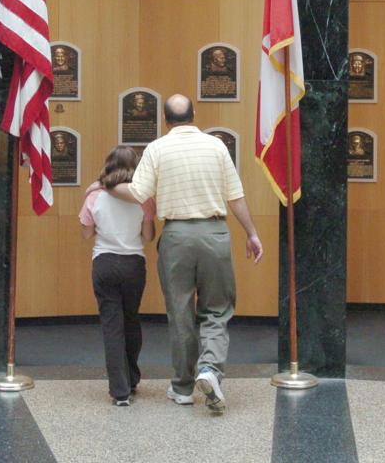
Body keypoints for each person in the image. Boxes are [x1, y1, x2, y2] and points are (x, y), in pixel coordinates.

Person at [95, 94, 263, 414]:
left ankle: (183, 387)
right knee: (216, 309)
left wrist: (105, 184)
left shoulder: (157, 148)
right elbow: (235, 196)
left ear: (164, 119)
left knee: (180, 312)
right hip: (215, 233)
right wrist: (251, 233)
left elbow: (137, 193)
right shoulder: (216, 146)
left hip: (176, 237)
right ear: (194, 114)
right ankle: (210, 370)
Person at [79, 146, 156, 406]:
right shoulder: (142, 198)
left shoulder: (94, 196)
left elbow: (87, 233)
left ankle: (119, 390)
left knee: (112, 326)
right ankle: (132, 377)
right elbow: (148, 236)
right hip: (134, 264)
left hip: (104, 262)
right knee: (131, 320)